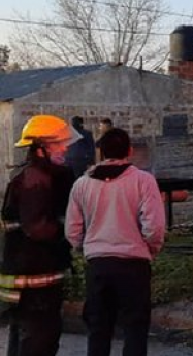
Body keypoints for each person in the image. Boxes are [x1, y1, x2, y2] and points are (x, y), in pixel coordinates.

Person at [65, 128, 166, 356]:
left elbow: (73, 229)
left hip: (98, 264)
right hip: (134, 264)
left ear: (101, 152)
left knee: (98, 329)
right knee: (135, 328)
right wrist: (151, 248)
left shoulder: (82, 184)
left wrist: (84, 248)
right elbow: (154, 226)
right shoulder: (143, 181)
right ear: (129, 151)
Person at [2, 115, 79, 356]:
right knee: (39, 341)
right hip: (34, 280)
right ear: (41, 148)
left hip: (28, 276)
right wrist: (68, 232)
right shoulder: (35, 180)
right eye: (59, 144)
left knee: (24, 338)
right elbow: (37, 227)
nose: (65, 148)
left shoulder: (34, 175)